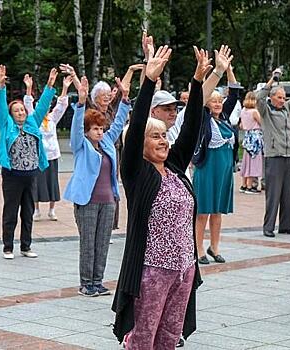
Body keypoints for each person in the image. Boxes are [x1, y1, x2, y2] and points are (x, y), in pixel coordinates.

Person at [112, 43, 208, 349]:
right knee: (143, 339)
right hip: (152, 271)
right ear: (139, 143)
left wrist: (196, 84)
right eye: (156, 136)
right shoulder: (137, 174)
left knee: (168, 338)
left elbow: (191, 130)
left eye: (164, 135)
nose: (163, 141)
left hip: (184, 269)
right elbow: (138, 122)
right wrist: (149, 82)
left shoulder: (175, 168)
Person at [63, 74, 130, 297]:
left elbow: (119, 122)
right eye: (95, 129)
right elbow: (75, 128)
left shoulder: (108, 142)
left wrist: (125, 98)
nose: (100, 132)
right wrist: (81, 103)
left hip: (108, 201)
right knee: (88, 243)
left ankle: (98, 281)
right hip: (87, 201)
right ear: (87, 131)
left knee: (102, 243)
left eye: (101, 128)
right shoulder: (80, 145)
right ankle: (86, 283)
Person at [0, 65, 57, 260]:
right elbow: (0, 109)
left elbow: (42, 107)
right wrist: (1, 86)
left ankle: (26, 246)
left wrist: (49, 86)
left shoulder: (32, 123)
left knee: (28, 212)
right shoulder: (7, 125)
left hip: (30, 174)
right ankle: (7, 247)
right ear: (12, 114)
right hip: (12, 175)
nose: (21, 112)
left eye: (22, 109)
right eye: (17, 110)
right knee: (11, 212)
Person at [193, 53, 238, 265]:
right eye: (214, 100)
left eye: (220, 101)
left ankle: (215, 246)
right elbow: (201, 96)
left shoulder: (226, 118)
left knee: (218, 211)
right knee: (203, 211)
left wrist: (228, 69)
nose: (218, 104)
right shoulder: (203, 118)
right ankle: (198, 247)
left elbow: (235, 93)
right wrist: (213, 72)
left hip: (224, 171)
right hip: (207, 168)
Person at [256, 65, 290, 238]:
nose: (282, 100)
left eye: (284, 97)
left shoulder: (286, 108)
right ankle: (268, 226)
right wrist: (273, 79)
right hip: (274, 156)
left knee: (288, 192)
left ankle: (286, 225)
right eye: (279, 97)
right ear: (272, 98)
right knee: (273, 194)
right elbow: (259, 97)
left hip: (288, 155)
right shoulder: (266, 110)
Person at [23, 74, 72, 221]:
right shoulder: (33, 119)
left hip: (52, 155)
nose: (45, 109)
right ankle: (36, 210)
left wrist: (65, 88)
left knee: (52, 182)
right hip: (38, 156)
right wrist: (29, 88)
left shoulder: (52, 119)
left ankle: (52, 210)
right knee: (36, 182)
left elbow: (62, 105)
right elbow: (28, 104)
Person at [239, 91, 263, 194]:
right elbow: (262, 123)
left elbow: (241, 125)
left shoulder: (243, 110)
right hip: (255, 137)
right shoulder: (254, 112)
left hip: (247, 136)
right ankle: (250, 186)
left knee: (246, 161)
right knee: (253, 162)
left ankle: (244, 184)